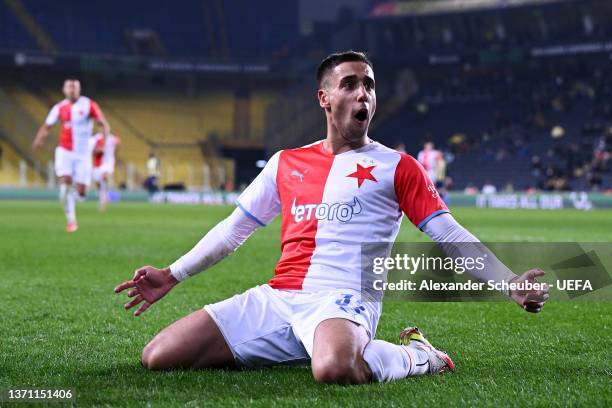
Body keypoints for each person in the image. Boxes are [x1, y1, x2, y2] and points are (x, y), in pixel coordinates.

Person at [115, 51, 549, 384]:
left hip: (347, 297)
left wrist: (508, 281)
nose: (364, 94)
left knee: (334, 370)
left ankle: (421, 356)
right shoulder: (285, 163)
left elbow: (447, 233)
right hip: (282, 297)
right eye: (351, 84)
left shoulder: (398, 166)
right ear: (325, 98)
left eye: (370, 85)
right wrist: (172, 274)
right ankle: (311, 341)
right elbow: (234, 231)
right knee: (159, 356)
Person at [33, 79, 110, 232]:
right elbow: (47, 126)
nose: (72, 90)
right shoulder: (59, 108)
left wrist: (103, 143)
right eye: (69, 87)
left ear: (79, 89)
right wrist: (39, 139)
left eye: (75, 87)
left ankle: (70, 196)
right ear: (64, 90)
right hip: (65, 152)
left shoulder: (89, 105)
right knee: (66, 180)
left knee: (81, 193)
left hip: (83, 154)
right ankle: (71, 221)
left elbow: (104, 125)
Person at [90, 132, 120, 211]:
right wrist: (99, 150)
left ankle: (103, 200)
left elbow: (118, 141)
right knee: (98, 183)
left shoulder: (111, 138)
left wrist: (114, 148)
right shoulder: (96, 138)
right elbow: (92, 150)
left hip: (108, 163)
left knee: (104, 176)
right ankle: (104, 196)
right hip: (98, 164)